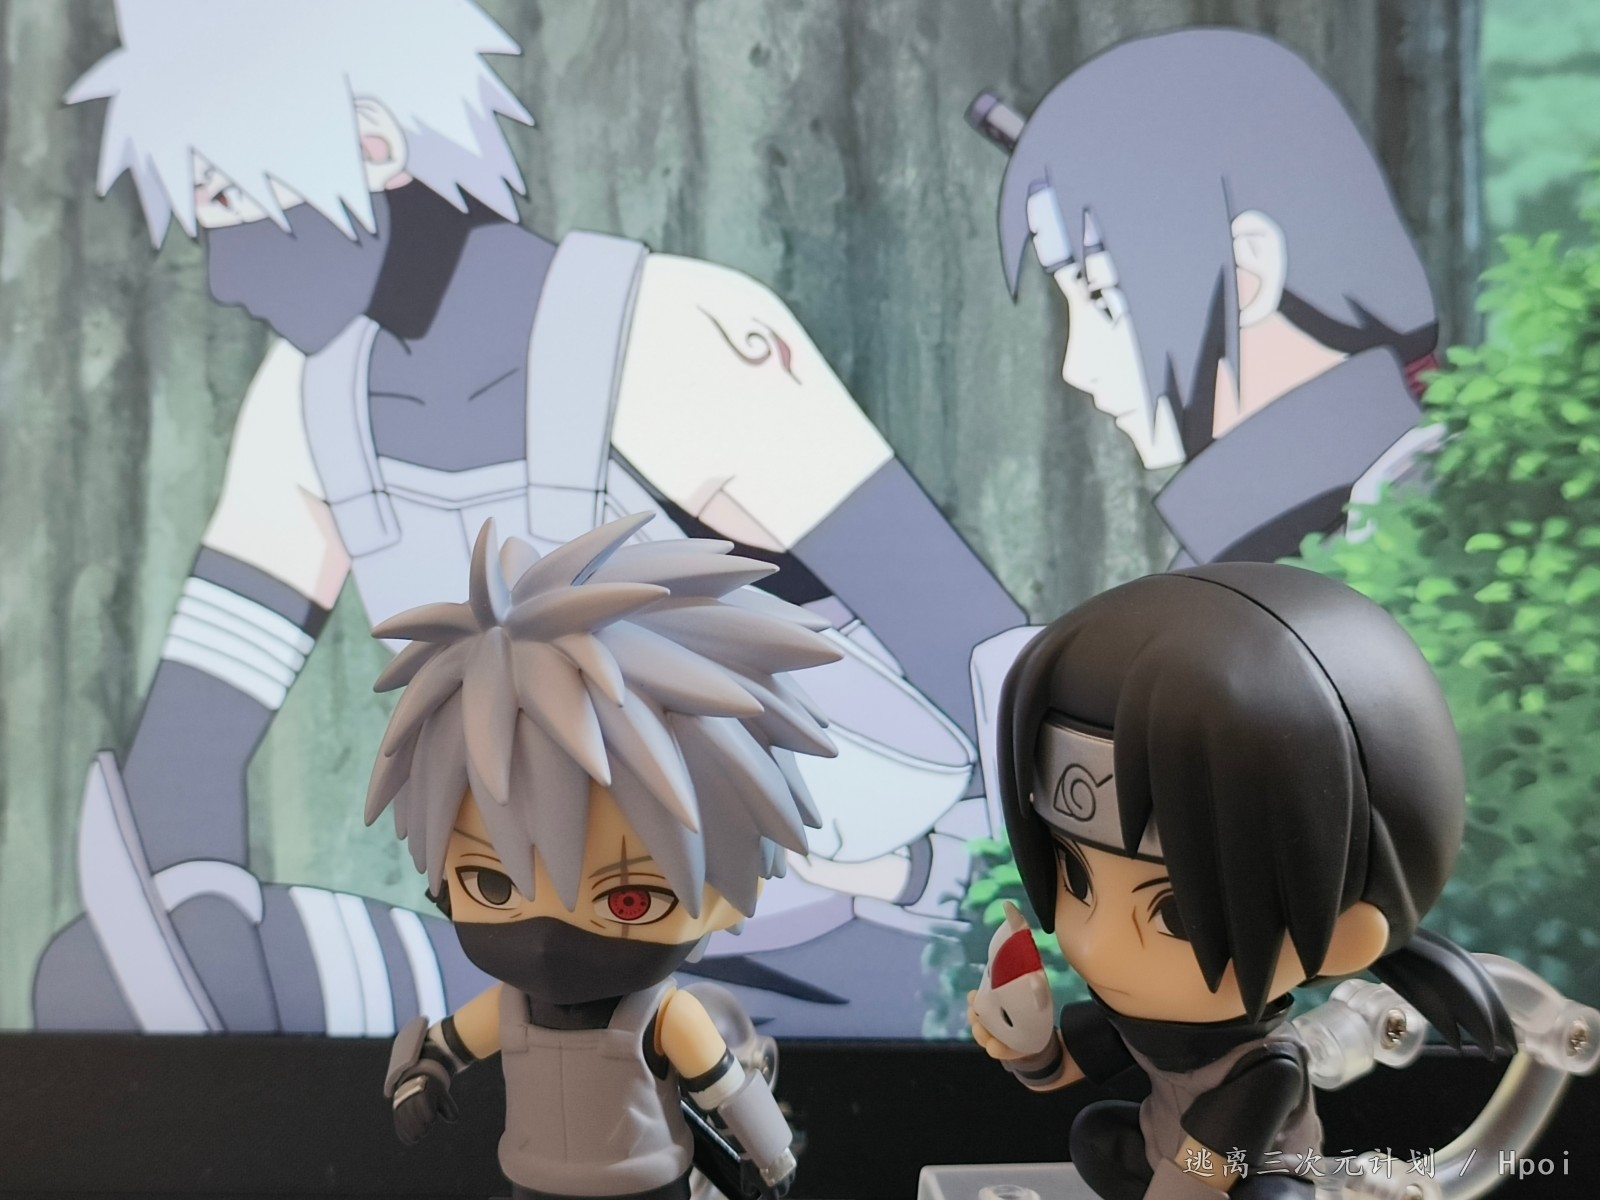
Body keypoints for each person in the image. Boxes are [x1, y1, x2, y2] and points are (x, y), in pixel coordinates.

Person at [35, 0, 1028, 1036]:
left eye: (231, 202)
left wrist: (970, 900)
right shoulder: (309, 405)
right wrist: (192, 930)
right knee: (96, 983)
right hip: (537, 952)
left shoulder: (677, 335)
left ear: (374, 146)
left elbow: (989, 661)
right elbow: (189, 754)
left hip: (839, 944)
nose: (227, 274)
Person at [969, 563, 1515, 1199]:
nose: (1096, 941)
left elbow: (1206, 1170)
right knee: (1096, 1134)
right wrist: (1027, 1045)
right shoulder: (1136, 1019)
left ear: (1343, 936)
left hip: (1249, 1178)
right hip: (1163, 1159)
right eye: (1077, 877)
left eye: (1175, 913)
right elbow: (1059, 1070)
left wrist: (1173, 1185)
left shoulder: (1265, 1070)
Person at [375, 515, 828, 1200]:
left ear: (727, 889)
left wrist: (772, 1157)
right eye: (494, 884)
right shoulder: (512, 1008)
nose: (550, 940)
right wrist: (420, 1077)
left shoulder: (664, 1019)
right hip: (532, 1181)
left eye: (629, 899)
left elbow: (729, 1090)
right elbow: (441, 1047)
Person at [971, 30, 1443, 566]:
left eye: (1104, 298)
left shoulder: (1416, 513)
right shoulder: (1249, 538)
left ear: (1248, 274)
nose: (1077, 368)